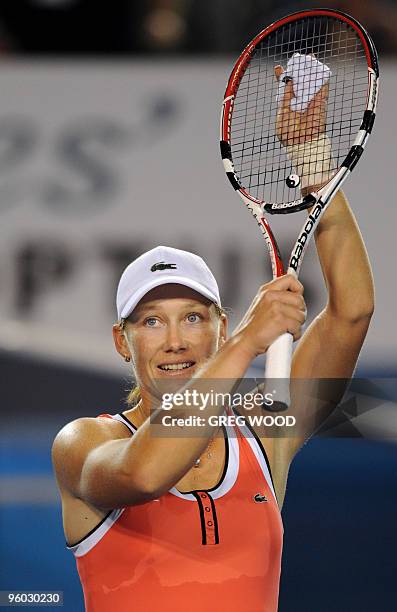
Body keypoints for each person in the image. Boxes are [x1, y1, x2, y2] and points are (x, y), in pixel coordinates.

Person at [52, 62, 374, 612]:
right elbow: (145, 472)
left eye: (194, 317)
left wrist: (312, 153)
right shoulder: (84, 443)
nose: (174, 340)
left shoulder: (265, 427)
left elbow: (351, 313)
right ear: (121, 342)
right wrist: (245, 345)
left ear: (218, 324)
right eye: (151, 322)